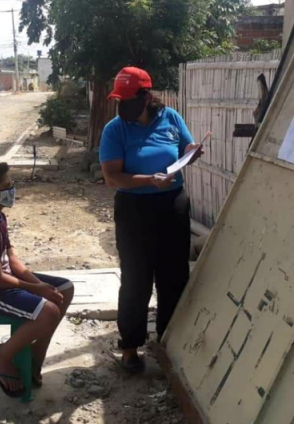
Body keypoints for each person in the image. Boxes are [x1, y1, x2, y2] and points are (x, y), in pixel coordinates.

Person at [99, 67, 203, 372]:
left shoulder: (170, 118)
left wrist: (192, 152)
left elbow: (185, 148)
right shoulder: (115, 130)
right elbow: (111, 177)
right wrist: (147, 180)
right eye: (119, 99)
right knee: (136, 279)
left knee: (173, 276)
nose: (123, 105)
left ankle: (169, 340)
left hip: (172, 205)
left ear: (146, 96)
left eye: (128, 99)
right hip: (134, 210)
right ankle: (130, 346)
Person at [0, 162, 75, 397]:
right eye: (8, 185)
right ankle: (0, 356)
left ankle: (37, 354)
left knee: (65, 288)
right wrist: (35, 288)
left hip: (5, 281)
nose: (13, 189)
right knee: (49, 312)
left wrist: (40, 286)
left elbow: (12, 260)